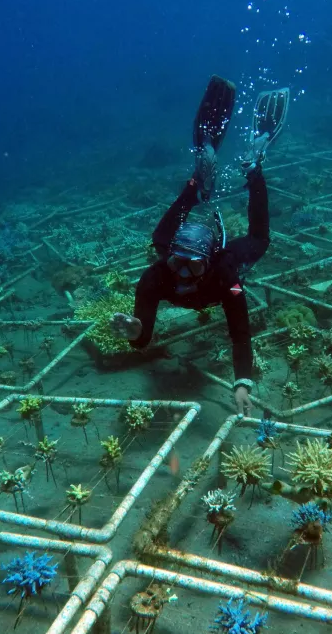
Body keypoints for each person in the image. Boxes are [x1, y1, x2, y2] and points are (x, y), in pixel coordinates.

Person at [110, 76, 289, 416]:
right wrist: (136, 330)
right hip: (176, 247)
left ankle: (251, 169)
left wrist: (242, 383)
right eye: (178, 261)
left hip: (224, 261)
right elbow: (142, 338)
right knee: (160, 239)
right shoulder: (156, 276)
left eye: (193, 263)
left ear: (208, 260)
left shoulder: (224, 275)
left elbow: (240, 334)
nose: (182, 272)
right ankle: (200, 180)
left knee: (259, 240)